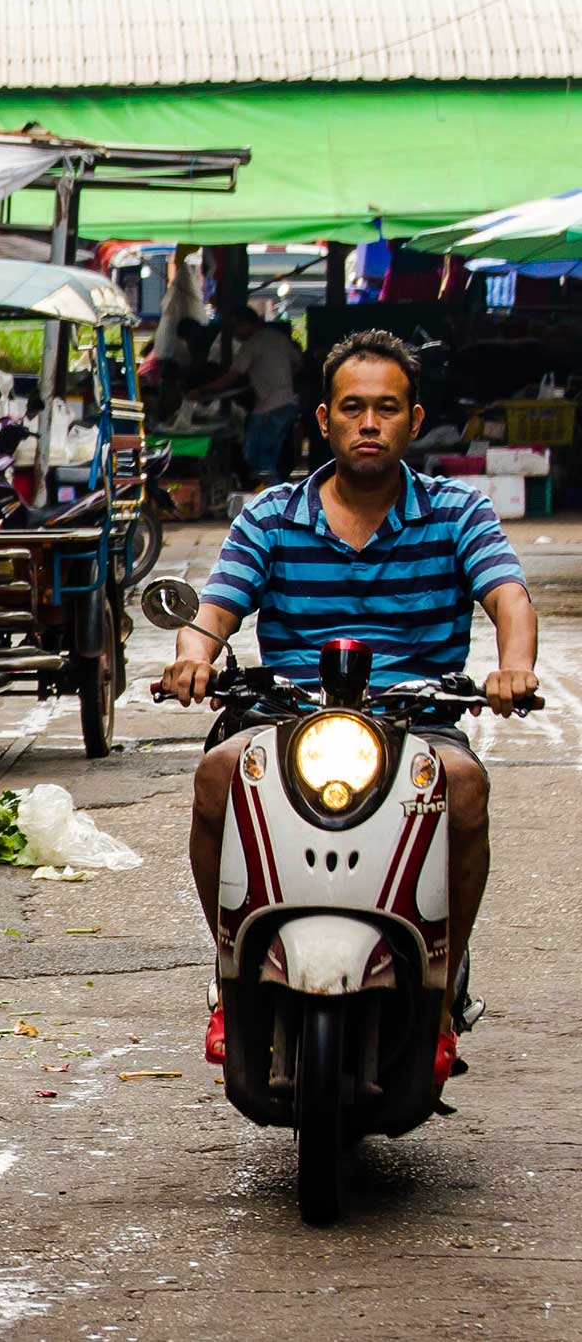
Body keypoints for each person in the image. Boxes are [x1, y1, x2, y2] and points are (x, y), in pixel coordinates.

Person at [161, 328, 538, 1086]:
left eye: (388, 409)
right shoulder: (272, 514)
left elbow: (509, 596)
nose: (370, 423)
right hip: (288, 715)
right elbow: (216, 610)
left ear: (414, 418)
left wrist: (515, 669)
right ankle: (233, 977)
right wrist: (192, 660)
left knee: (465, 789)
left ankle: (438, 991)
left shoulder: (457, 512)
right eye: (354, 408)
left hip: (418, 717)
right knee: (216, 776)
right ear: (324, 419)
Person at [195, 305, 302, 483]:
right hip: (287, 405)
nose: (235, 333)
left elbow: (231, 377)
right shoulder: (278, 338)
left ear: (247, 324)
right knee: (272, 457)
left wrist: (201, 390)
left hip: (269, 408)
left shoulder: (251, 345)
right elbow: (298, 364)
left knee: (258, 459)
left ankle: (272, 499)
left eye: (237, 327)